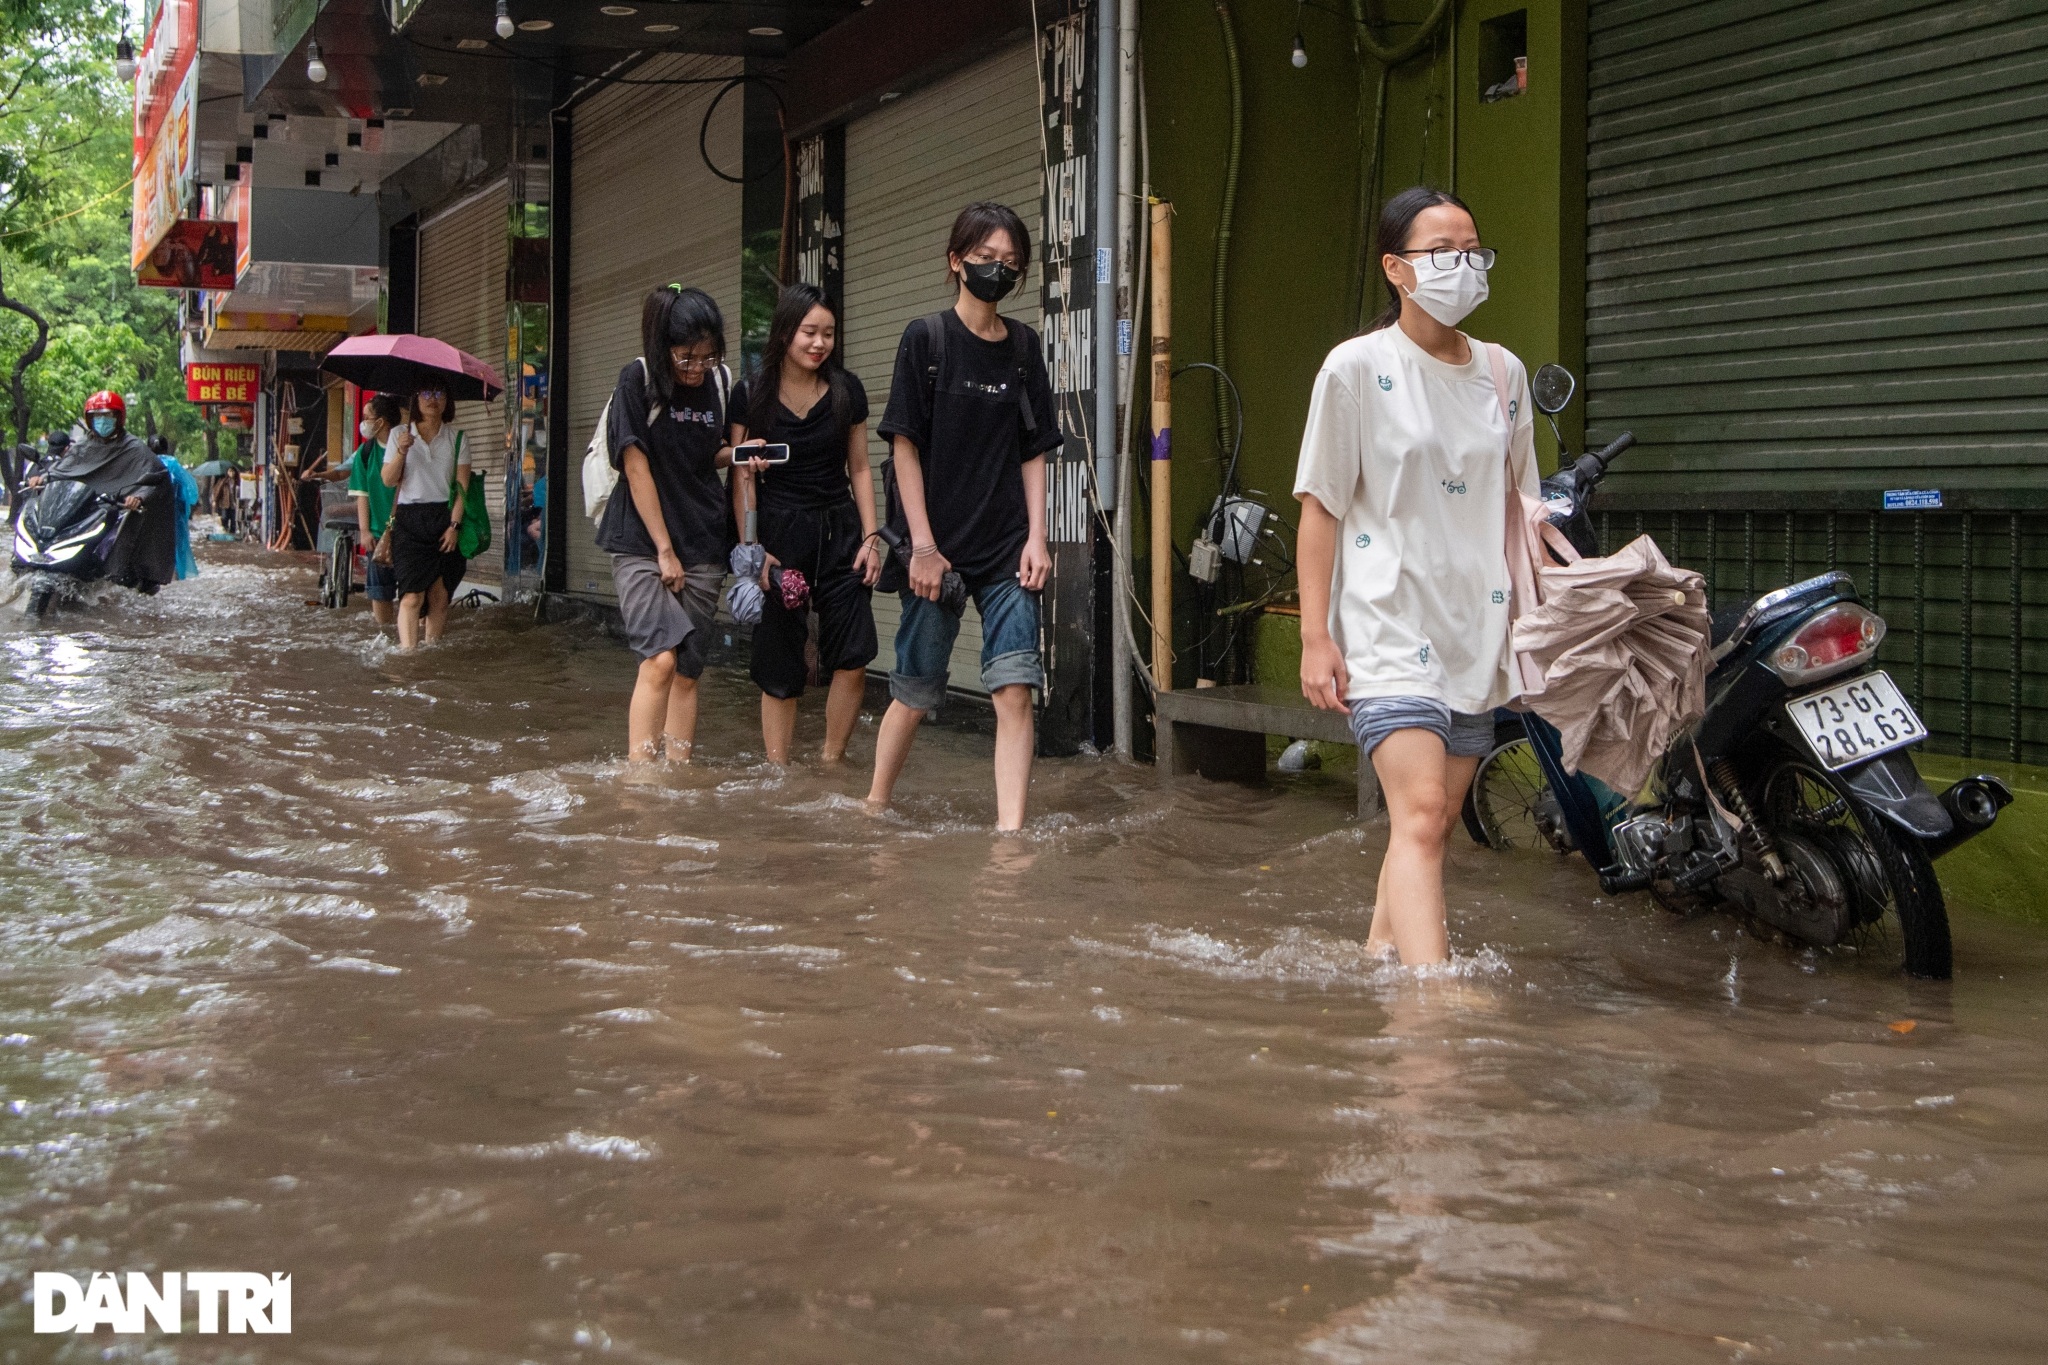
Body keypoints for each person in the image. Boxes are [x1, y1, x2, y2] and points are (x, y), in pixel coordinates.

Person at [1293, 186, 1536, 967]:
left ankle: (1374, 962)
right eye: (1442, 252)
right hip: (1387, 622)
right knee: (1426, 811)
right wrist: (1313, 635)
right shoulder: (1356, 368)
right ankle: (1432, 1008)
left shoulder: (1504, 374)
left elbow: (1520, 507)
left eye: (1473, 249)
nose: (1462, 266)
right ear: (1396, 269)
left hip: (1476, 625)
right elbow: (1321, 508)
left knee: (1425, 822)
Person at [865, 202, 1061, 832]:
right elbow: (904, 447)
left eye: (1010, 262)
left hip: (1006, 548)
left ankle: (1011, 835)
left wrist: (1037, 537)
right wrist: (922, 546)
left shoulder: (1025, 348)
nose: (997, 271)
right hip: (937, 552)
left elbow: (1034, 453)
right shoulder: (926, 340)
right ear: (956, 262)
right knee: (915, 693)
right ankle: (873, 808)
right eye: (985, 258)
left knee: (1014, 690)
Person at [729, 283, 882, 765]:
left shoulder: (846, 391)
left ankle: (831, 761)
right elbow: (741, 476)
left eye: (829, 334)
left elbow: (859, 467)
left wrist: (872, 538)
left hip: (840, 533)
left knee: (854, 655)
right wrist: (752, 551)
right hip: (777, 535)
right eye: (808, 333)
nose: (819, 344)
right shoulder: (750, 394)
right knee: (779, 662)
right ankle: (778, 770)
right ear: (784, 333)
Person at [595, 284, 738, 765]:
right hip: (641, 540)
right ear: (662, 347)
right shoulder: (635, 380)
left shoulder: (719, 382)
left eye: (708, 355)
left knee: (689, 671)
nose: (698, 368)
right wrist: (663, 549)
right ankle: (641, 776)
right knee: (659, 659)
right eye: (686, 358)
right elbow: (636, 466)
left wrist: (738, 455)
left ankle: (678, 772)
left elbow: (706, 454)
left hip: (703, 538)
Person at [27, 392, 175, 591]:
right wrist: (42, 479)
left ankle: (125, 575)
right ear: (89, 419)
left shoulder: (134, 448)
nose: (102, 422)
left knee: (122, 543)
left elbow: (156, 477)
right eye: (97, 417)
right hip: (83, 507)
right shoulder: (83, 446)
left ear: (118, 418)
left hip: (114, 508)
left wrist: (138, 496)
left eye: (107, 417)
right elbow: (62, 471)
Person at [380, 388, 471, 650]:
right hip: (409, 520)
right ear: (416, 399)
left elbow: (462, 488)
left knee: (440, 596)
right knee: (411, 597)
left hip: (444, 517)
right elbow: (388, 480)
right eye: (427, 393)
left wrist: (454, 526)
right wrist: (401, 451)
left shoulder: (458, 438)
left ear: (448, 401)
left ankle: (432, 649)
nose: (433, 400)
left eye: (441, 394)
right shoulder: (400, 434)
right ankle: (409, 656)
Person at [348, 395, 403, 627]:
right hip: (378, 533)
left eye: (366, 418)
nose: (364, 423)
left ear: (381, 422)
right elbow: (362, 494)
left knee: (414, 591)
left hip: (410, 530)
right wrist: (364, 531)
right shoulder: (366, 452)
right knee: (380, 590)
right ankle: (385, 632)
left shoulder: (406, 447)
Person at [147, 434, 200, 580]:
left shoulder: (145, 463)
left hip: (150, 514)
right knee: (175, 549)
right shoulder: (174, 465)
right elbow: (189, 492)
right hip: (174, 515)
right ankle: (174, 576)